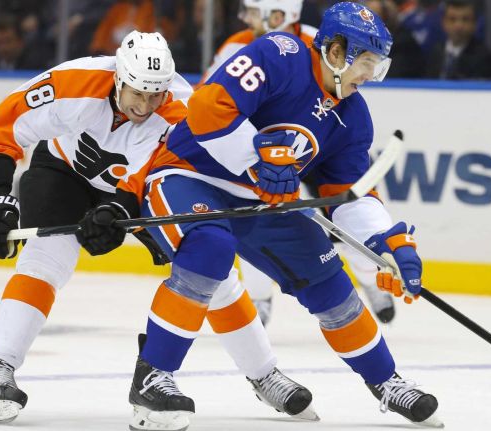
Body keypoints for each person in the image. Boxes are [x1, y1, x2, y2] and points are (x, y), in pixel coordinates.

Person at [77, 2, 443, 428]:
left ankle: (386, 381)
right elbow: (207, 108)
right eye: (366, 63)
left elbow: (348, 196)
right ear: (337, 52)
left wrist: (388, 240)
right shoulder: (280, 53)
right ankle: (153, 376)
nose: (368, 77)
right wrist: (256, 159)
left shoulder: (352, 116)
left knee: (329, 279)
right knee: (209, 247)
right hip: (188, 174)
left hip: (260, 201)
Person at [0, 30, 314, 426]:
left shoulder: (181, 110)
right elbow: (1, 128)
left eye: (155, 95)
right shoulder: (74, 82)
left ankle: (264, 373)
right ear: (118, 79)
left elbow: (155, 173)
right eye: (137, 93)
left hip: (139, 187)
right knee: (47, 258)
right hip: (62, 171)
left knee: (211, 271)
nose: (145, 106)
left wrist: (117, 209)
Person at [201, 0, 395, 326]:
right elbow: (213, 97)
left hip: (313, 149)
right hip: (265, 147)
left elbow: (338, 96)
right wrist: (256, 158)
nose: (246, 18)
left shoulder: (317, 42)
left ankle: (369, 278)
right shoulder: (239, 45)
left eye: (252, 11)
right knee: (257, 211)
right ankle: (260, 298)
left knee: (342, 218)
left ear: (279, 15)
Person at [426, 0, 491, 80]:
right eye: (452, 19)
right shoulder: (436, 51)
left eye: (465, 19)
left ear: (474, 24)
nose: (459, 26)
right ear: (444, 23)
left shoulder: (484, 57)